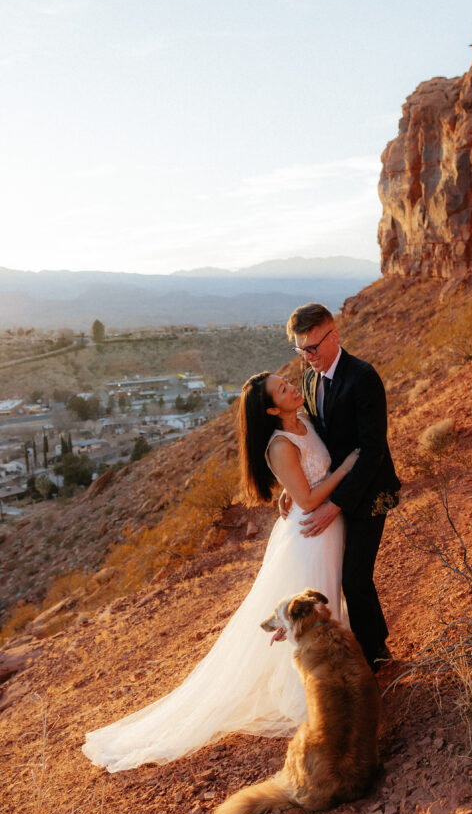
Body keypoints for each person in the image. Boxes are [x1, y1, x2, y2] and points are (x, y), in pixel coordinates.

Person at [82, 371, 358, 772]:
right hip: (311, 533)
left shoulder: (305, 422)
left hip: (326, 528)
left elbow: (304, 479)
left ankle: (332, 679)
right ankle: (311, 694)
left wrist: (295, 488)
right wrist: (347, 468)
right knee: (314, 608)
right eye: (283, 390)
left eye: (288, 383)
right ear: (270, 409)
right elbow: (310, 497)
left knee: (329, 600)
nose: (292, 388)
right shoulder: (279, 445)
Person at [286, 303, 401, 671]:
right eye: (300, 349)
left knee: (354, 576)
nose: (308, 357)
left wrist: (335, 503)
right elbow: (317, 440)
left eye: (313, 347)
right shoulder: (309, 379)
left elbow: (373, 450)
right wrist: (296, 483)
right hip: (333, 489)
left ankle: (377, 655)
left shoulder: (363, 377)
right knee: (334, 575)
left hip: (370, 493)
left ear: (333, 336)